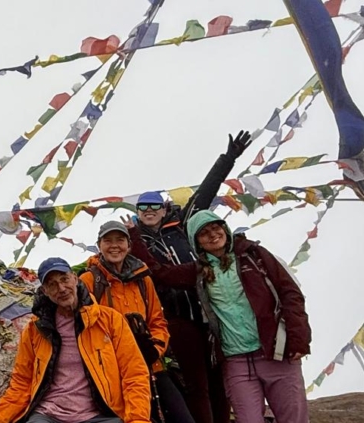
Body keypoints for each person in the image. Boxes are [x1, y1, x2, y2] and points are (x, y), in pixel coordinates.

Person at [122, 130, 252, 423]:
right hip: (176, 315)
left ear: (165, 207)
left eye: (155, 205)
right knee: (197, 383)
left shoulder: (182, 225)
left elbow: (206, 192)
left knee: (219, 378)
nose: (150, 210)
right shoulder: (134, 241)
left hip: (209, 309)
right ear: (137, 213)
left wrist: (228, 158)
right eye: (143, 207)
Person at [150, 211, 311, 423]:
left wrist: (299, 337)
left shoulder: (254, 255)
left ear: (225, 229)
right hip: (236, 361)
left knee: (293, 419)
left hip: (276, 353)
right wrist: (133, 236)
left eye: (216, 228)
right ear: (196, 242)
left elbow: (290, 293)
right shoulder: (199, 271)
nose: (212, 235)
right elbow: (161, 273)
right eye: (204, 233)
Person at [0, 257, 152, 423]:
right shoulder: (36, 329)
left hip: (100, 415)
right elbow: (21, 383)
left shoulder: (110, 320)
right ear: (44, 290)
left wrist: (138, 419)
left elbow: (134, 374)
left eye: (64, 279)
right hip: (48, 415)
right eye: (52, 284)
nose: (61, 288)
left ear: (75, 279)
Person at [81, 221, 192, 423]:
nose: (114, 246)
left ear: (129, 245)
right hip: (112, 373)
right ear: (99, 245)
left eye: (120, 240)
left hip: (151, 365)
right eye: (108, 240)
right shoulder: (89, 281)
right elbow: (85, 328)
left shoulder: (143, 278)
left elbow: (157, 321)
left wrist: (154, 348)